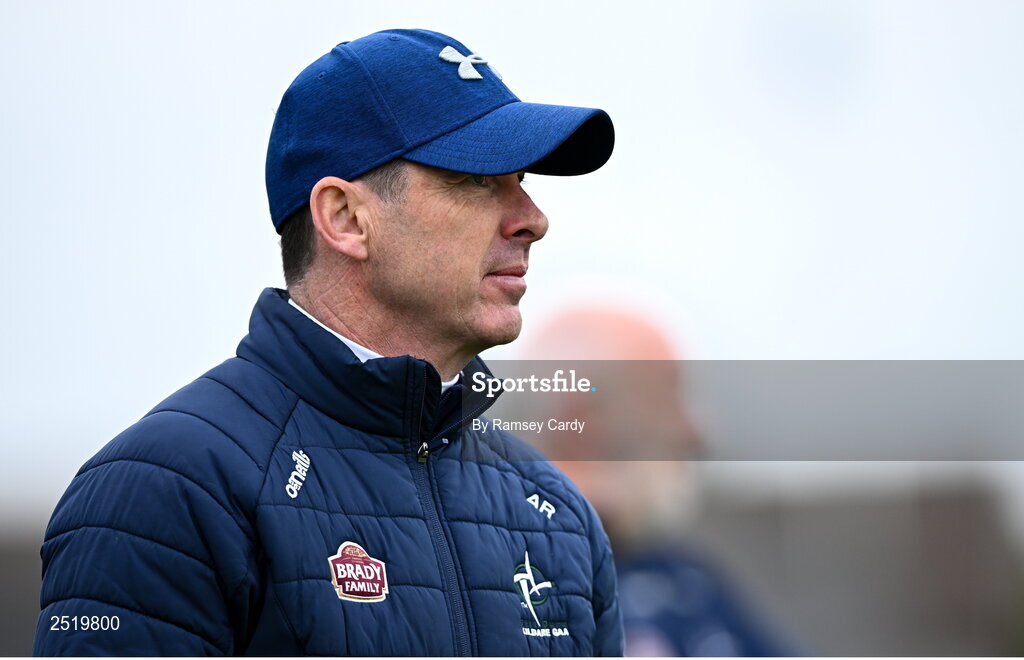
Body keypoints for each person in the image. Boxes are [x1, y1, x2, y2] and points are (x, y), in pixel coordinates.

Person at [34, 29, 620, 656]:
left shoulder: (556, 513)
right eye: (475, 180)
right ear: (344, 217)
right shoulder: (167, 489)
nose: (533, 218)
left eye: (522, 178)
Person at [522, 306, 794, 656]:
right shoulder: (504, 590)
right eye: (670, 394)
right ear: (584, 425)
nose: (697, 431)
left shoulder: (687, 580)